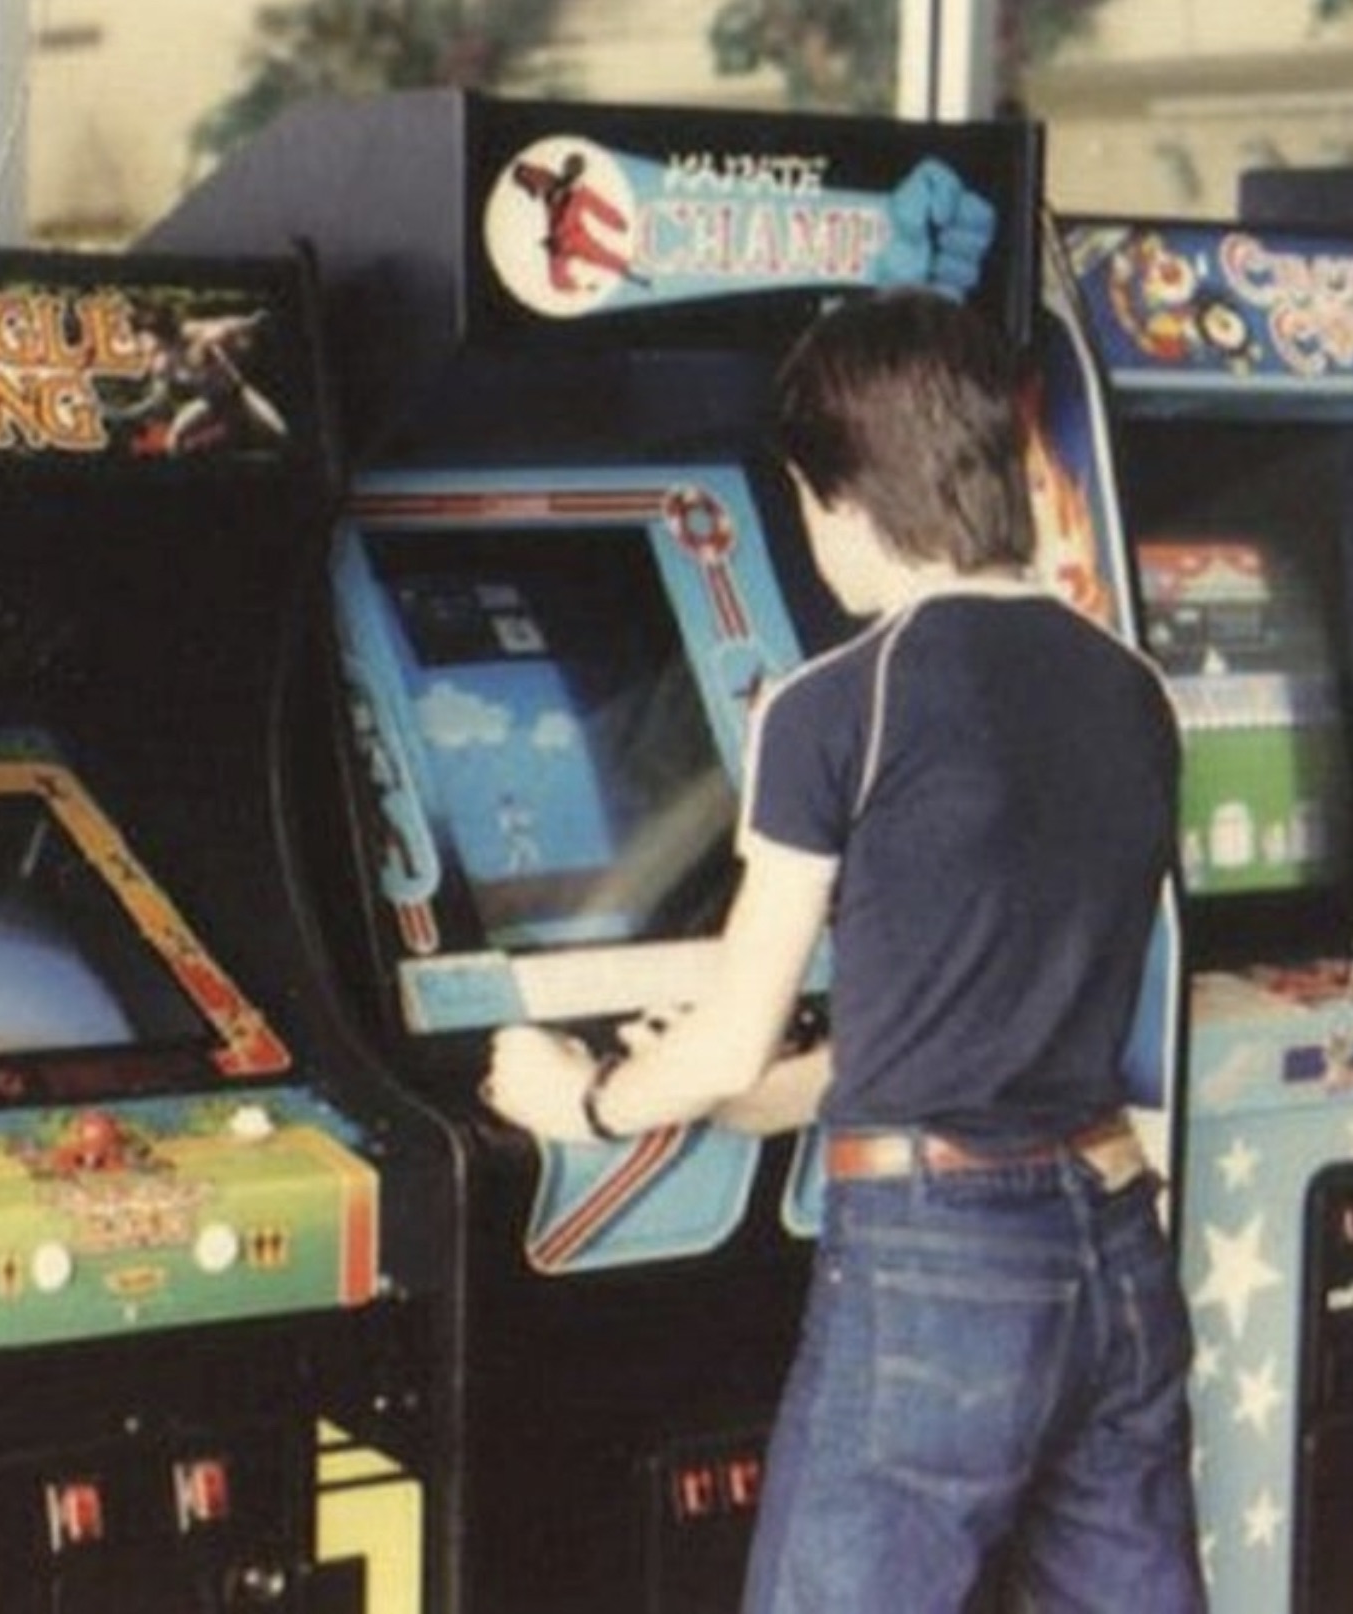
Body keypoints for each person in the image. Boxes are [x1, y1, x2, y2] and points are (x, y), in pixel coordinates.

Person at [481, 287, 1205, 1613]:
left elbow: (734, 1026)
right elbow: (978, 994)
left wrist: (577, 1096)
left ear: (839, 498)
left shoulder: (834, 705)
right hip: (1111, 1243)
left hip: (937, 1264)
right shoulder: (1131, 688)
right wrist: (777, 1094)